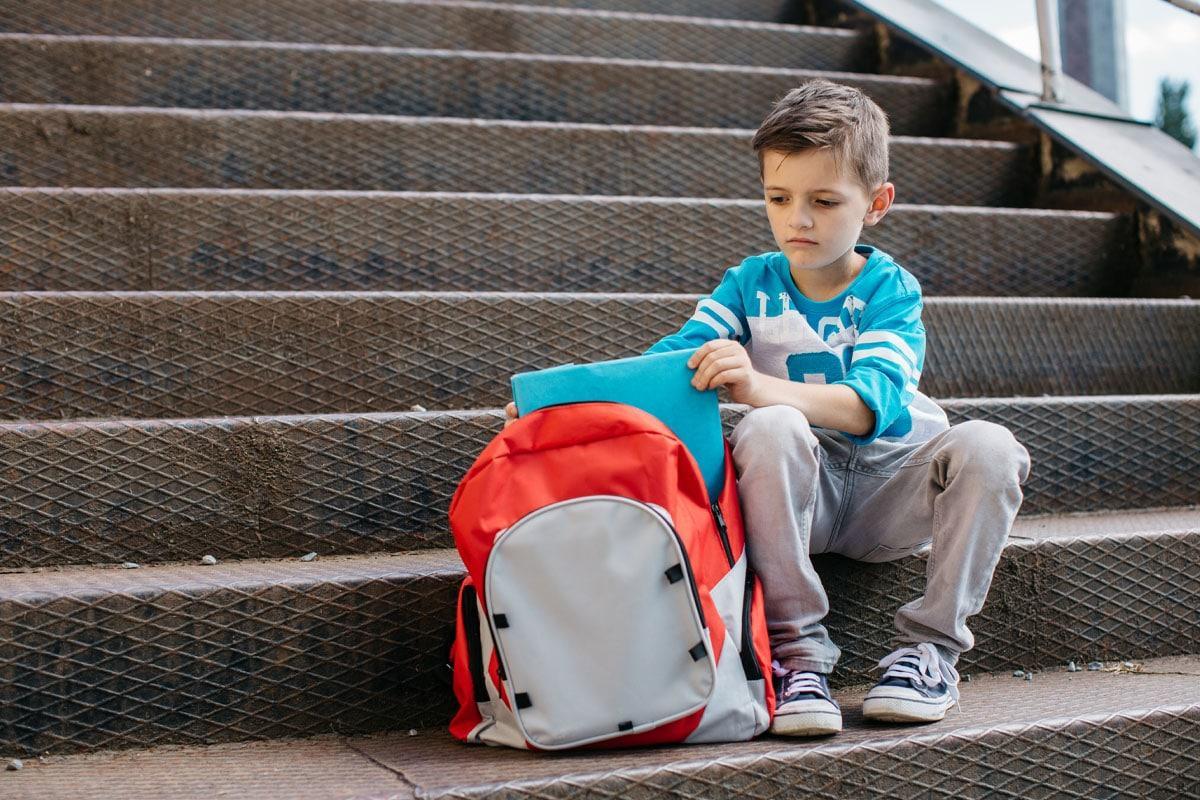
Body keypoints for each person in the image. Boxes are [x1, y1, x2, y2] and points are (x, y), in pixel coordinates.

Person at [505, 78, 1030, 737]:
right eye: (779, 198)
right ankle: (797, 657)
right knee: (771, 428)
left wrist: (755, 385)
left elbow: (867, 407)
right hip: (797, 494)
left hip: (889, 493)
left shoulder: (890, 290)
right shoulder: (751, 283)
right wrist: (554, 411)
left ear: (876, 203)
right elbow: (666, 368)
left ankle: (929, 653)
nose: (797, 220)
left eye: (823, 201)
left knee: (990, 446)